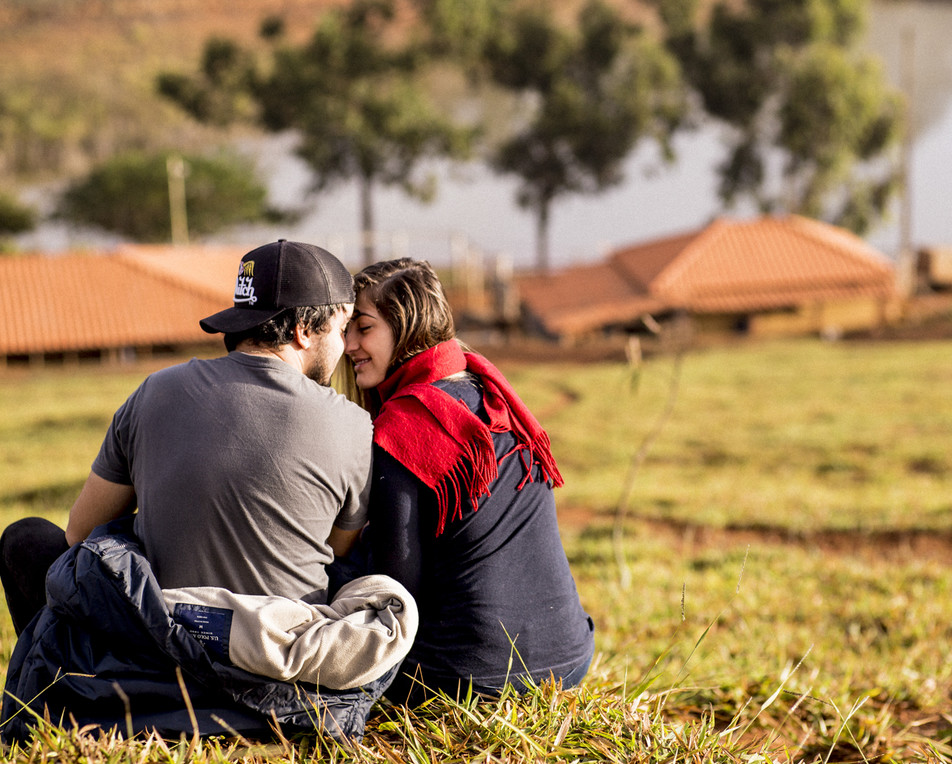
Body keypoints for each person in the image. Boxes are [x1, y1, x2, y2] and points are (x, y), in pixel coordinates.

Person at [0, 239, 374, 636]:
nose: (347, 345)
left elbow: (79, 534)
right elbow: (337, 550)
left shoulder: (153, 391)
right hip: (282, 669)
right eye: (343, 327)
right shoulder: (352, 423)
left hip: (156, 659)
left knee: (27, 539)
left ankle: (56, 691)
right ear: (303, 331)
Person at [343, 258, 594, 704]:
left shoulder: (405, 422)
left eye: (363, 328)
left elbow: (398, 590)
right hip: (569, 660)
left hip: (466, 676)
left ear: (406, 328)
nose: (349, 345)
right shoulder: (493, 395)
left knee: (335, 574)